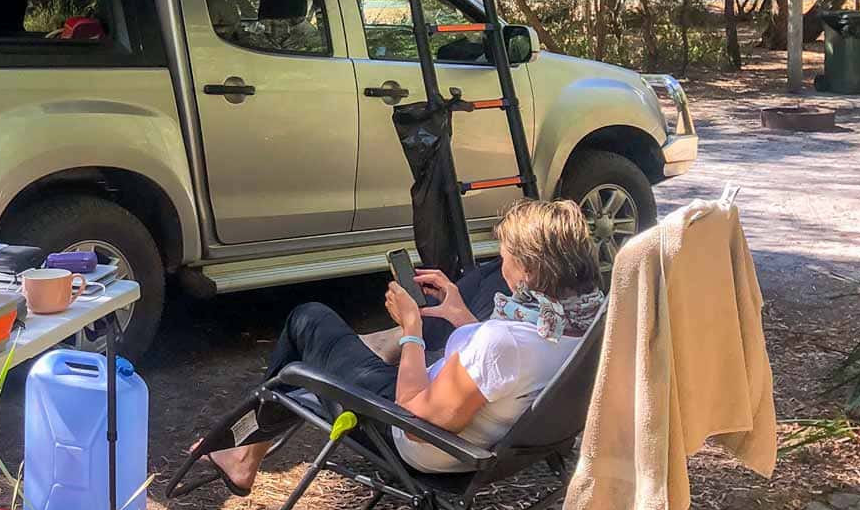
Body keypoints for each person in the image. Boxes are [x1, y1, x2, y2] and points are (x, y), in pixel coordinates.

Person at [200, 199, 606, 487]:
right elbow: (503, 370)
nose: (501, 266)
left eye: (506, 257)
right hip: (487, 445)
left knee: (308, 320)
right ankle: (246, 452)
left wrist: (410, 329)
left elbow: (416, 424)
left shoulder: (505, 344)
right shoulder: (584, 322)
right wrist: (461, 316)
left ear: (529, 270)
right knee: (329, 344)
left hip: (418, 442)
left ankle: (243, 455)